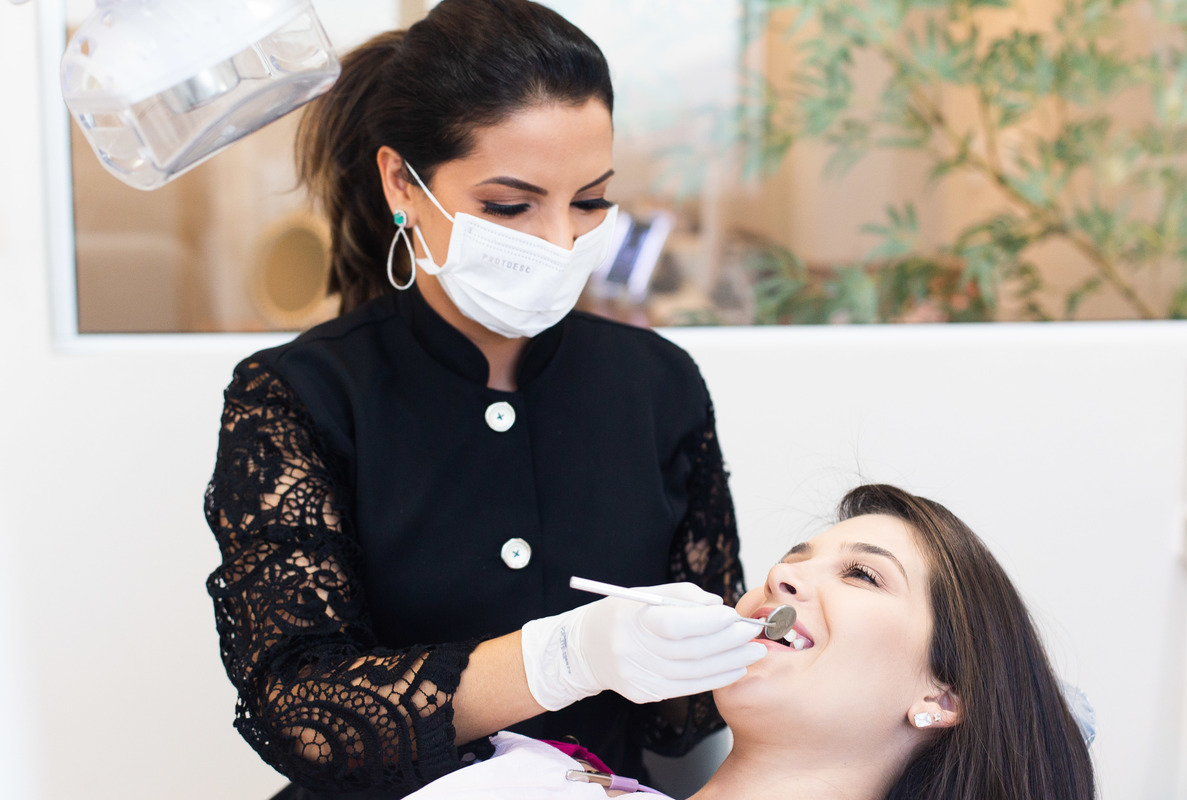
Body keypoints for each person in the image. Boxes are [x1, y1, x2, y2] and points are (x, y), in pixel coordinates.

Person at [203, 2, 761, 799]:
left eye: (592, 200)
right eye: (509, 206)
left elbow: (682, 725)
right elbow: (301, 709)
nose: (560, 241)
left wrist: (725, 639)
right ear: (402, 181)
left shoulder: (658, 386)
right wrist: (567, 656)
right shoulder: (299, 397)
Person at [396, 484, 1097, 799]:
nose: (782, 576)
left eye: (861, 574)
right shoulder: (533, 782)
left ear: (941, 696)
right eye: (795, 555)